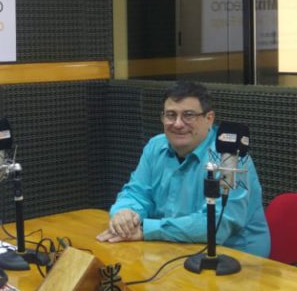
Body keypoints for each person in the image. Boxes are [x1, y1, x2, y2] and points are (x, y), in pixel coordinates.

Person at [97, 81, 270, 256]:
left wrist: (147, 229)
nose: (178, 124)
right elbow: (136, 192)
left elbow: (219, 224)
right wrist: (125, 212)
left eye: (188, 115)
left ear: (209, 119)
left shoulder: (230, 157)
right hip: (172, 249)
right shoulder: (156, 146)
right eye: (171, 115)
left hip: (233, 258)